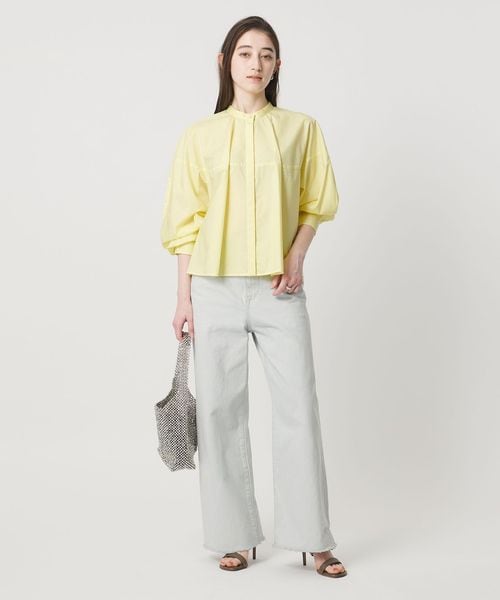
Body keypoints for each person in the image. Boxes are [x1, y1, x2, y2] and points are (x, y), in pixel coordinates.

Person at [160, 15, 347, 578]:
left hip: (278, 289)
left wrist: (297, 255)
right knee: (219, 412)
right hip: (213, 288)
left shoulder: (300, 129)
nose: (255, 63)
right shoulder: (199, 136)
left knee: (298, 408)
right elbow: (186, 224)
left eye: (266, 54)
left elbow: (316, 202)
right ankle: (234, 538)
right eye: (245, 53)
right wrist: (184, 298)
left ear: (277, 65)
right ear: (225, 62)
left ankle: (313, 539)